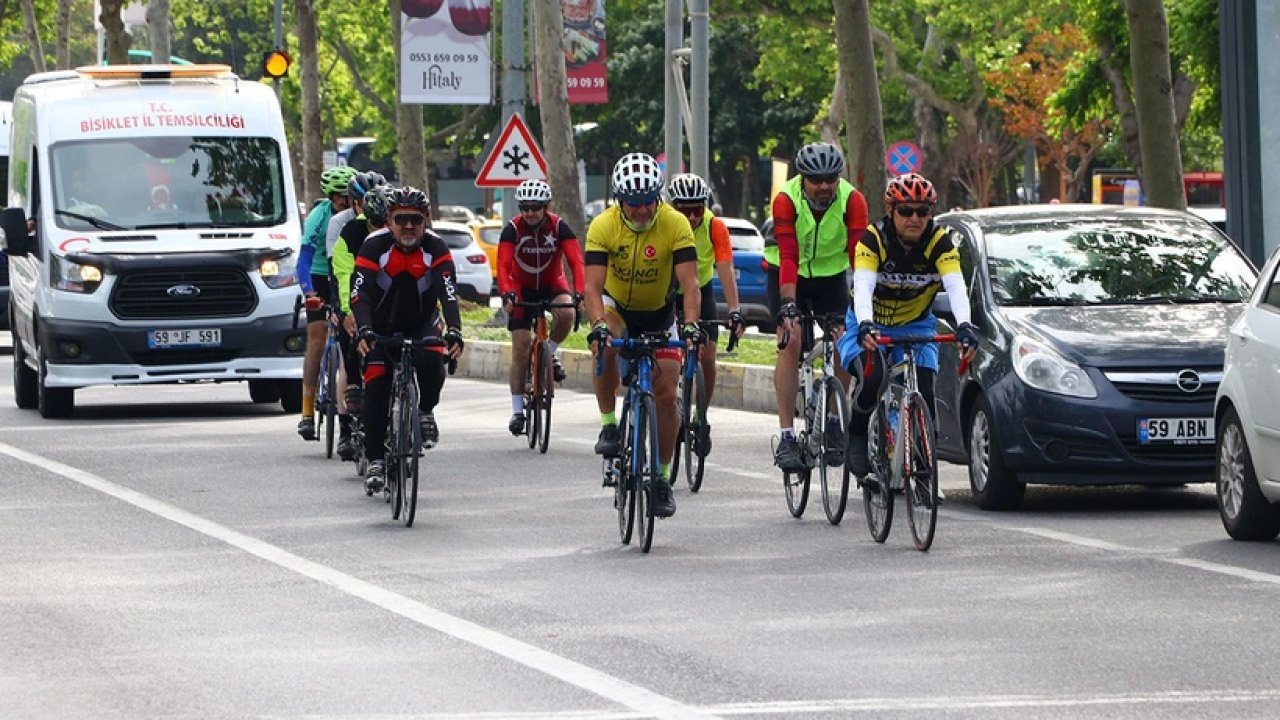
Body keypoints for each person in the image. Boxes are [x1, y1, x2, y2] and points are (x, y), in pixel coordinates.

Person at [836, 173, 979, 481]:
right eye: (905, 211)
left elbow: (956, 287)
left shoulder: (940, 243)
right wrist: (864, 324)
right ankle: (857, 434)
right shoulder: (873, 240)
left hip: (916, 325)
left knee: (925, 390)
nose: (915, 218)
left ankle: (920, 457)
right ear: (891, 211)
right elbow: (862, 286)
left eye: (923, 211)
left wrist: (964, 325)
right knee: (873, 379)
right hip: (869, 323)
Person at [584, 153, 701, 519]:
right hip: (616, 307)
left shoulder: (674, 223)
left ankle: (663, 479)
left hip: (659, 313)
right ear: (620, 201)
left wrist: (693, 326)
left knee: (667, 398)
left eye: (648, 200)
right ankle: (608, 425)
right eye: (633, 203)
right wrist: (598, 325)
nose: (641, 210)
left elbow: (690, 283)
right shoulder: (602, 226)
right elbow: (591, 286)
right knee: (603, 345)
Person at [351, 187, 465, 493]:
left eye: (415, 219)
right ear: (388, 220)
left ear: (426, 219)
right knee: (376, 386)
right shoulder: (374, 246)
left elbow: (448, 293)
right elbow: (360, 293)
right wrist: (363, 329)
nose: (409, 226)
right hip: (379, 326)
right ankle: (375, 458)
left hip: (421, 322)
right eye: (401, 219)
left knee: (434, 362)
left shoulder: (436, 247)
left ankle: (425, 410)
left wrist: (454, 328)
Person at [769, 142, 868, 472]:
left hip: (831, 276)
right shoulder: (786, 199)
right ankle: (785, 435)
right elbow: (787, 254)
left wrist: (862, 303)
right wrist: (788, 305)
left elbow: (859, 255)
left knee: (843, 338)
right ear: (803, 179)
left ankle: (834, 419)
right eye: (816, 180)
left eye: (831, 178)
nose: (825, 186)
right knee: (791, 339)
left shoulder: (852, 200)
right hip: (788, 273)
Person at [665, 173, 745, 454]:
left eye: (697, 209)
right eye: (683, 210)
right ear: (671, 207)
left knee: (707, 354)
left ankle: (700, 416)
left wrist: (735, 311)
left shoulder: (715, 227)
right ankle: (668, 403)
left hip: (702, 291)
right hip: (667, 291)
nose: (690, 217)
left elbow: (724, 268)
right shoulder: (664, 223)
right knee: (667, 354)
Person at [498, 178, 586, 436]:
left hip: (551, 282)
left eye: (535, 207)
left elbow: (576, 261)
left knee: (567, 313)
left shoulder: (559, 226)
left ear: (546, 206)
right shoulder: (512, 229)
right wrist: (507, 294)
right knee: (521, 349)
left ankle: (550, 350)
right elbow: (503, 266)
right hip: (521, 286)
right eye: (524, 207)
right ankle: (516, 410)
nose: (530, 213)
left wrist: (579, 293)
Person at [329, 174, 389, 460]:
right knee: (347, 331)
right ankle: (352, 386)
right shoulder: (348, 231)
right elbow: (344, 275)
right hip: (356, 293)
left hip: (389, 301)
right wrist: (345, 310)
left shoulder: (403, 229)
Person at [295, 165, 358, 441]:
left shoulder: (356, 217)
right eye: (340, 196)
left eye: (348, 195)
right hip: (320, 274)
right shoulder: (319, 217)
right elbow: (303, 261)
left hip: (344, 272)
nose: (345, 200)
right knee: (317, 339)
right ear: (330, 197)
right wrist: (310, 293)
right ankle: (307, 411)